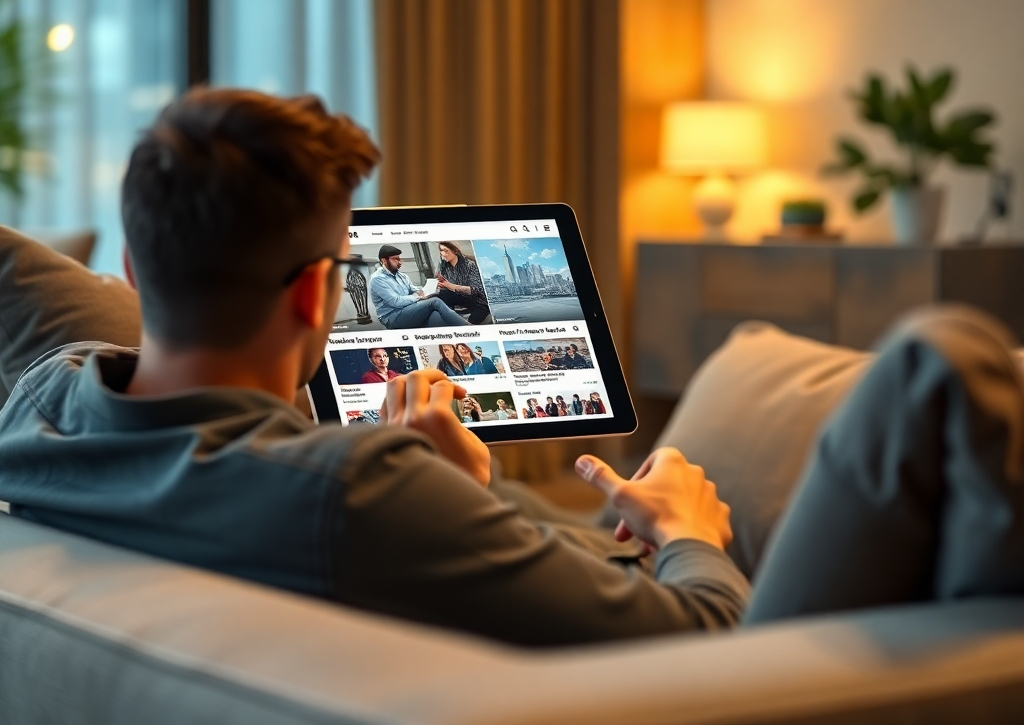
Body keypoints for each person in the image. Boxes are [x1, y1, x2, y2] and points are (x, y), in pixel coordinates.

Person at [0, 89, 746, 649]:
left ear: (132, 270)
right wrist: (689, 533)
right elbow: (708, 636)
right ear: (316, 291)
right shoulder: (358, 488)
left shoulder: (44, 401)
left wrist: (455, 495)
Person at [369, 245, 470, 330]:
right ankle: (470, 328)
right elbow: (395, 301)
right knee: (435, 302)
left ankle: (463, 332)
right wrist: (417, 296)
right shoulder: (378, 279)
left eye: (400, 259)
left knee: (435, 316)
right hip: (392, 317)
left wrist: (425, 291)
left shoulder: (401, 275)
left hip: (407, 309)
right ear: (384, 260)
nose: (400, 262)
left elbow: (413, 289)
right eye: (396, 259)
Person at [435, 241, 491, 324]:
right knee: (438, 299)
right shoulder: (444, 267)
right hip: (457, 299)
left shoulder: (470, 265)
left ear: (455, 251)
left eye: (446, 251)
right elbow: (445, 289)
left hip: (476, 301)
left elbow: (475, 289)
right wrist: (441, 285)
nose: (443, 254)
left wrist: (451, 286)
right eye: (441, 251)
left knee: (473, 320)